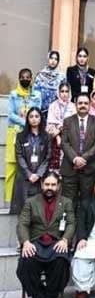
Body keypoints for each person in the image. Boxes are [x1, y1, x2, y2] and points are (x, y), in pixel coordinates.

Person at [16, 172, 74, 298]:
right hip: (36, 242)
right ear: (42, 184)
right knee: (26, 263)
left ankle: (51, 295)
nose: (50, 187)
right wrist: (26, 242)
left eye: (53, 185)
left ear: (58, 186)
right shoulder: (31, 202)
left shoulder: (66, 202)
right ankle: (37, 295)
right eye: (47, 184)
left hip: (56, 242)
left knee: (61, 262)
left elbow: (71, 223)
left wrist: (65, 239)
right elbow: (22, 224)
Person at [60, 94, 95, 210]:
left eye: (85, 103)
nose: (83, 105)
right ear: (76, 105)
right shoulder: (68, 121)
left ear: (89, 105)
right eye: (80, 103)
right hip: (70, 168)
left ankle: (84, 223)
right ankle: (70, 222)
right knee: (68, 203)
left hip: (89, 169)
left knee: (87, 204)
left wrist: (84, 158)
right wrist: (75, 158)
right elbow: (64, 142)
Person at [7, 69, 42, 204]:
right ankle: (8, 201)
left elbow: (37, 112)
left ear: (31, 79)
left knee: (28, 166)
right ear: (19, 78)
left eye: (28, 77)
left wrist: (30, 122)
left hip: (31, 133)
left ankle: (26, 201)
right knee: (12, 167)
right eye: (22, 77)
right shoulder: (13, 94)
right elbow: (11, 114)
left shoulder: (37, 95)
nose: (25, 79)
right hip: (15, 132)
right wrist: (26, 121)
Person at [11, 107, 50, 215]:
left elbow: (48, 157)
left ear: (41, 118)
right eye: (31, 116)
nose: (34, 119)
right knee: (24, 212)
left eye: (36, 116)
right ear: (27, 119)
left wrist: (38, 174)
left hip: (40, 177)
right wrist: (29, 174)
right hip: (24, 177)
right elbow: (19, 156)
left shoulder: (46, 137)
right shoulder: (20, 136)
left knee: (40, 212)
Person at [45, 83, 75, 172]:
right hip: (54, 139)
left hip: (69, 139)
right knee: (54, 168)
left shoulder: (73, 106)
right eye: (62, 91)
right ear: (58, 92)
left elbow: (74, 124)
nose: (64, 94)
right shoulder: (53, 106)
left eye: (66, 91)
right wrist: (58, 136)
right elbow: (50, 124)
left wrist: (61, 129)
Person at [33, 51, 66, 119]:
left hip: (56, 111)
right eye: (51, 58)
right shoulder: (40, 75)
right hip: (40, 110)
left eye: (56, 59)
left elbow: (64, 94)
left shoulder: (62, 77)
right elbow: (35, 93)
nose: (53, 61)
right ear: (48, 59)